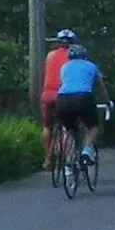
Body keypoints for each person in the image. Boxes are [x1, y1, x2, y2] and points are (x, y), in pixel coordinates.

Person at [52, 43, 109, 166]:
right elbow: (101, 88)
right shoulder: (91, 66)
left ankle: (68, 164)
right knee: (93, 127)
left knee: (68, 130)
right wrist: (107, 101)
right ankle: (87, 151)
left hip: (63, 99)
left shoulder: (64, 67)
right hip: (83, 97)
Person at [39, 28, 76, 168]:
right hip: (64, 94)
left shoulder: (50, 55)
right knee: (68, 127)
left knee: (48, 126)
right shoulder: (73, 58)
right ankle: (67, 158)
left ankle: (47, 159)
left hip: (48, 94)